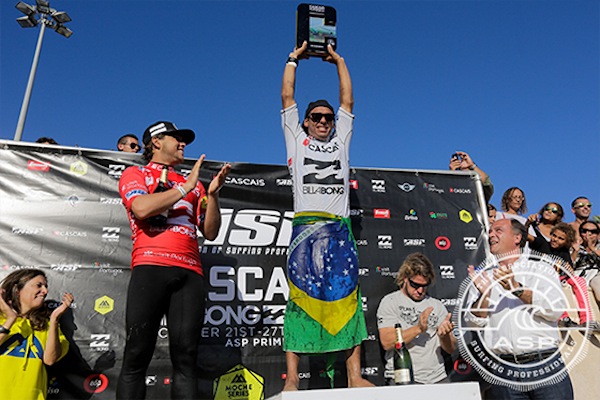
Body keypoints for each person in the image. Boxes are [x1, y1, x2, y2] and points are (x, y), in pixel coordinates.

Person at [280, 41, 372, 390]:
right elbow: (288, 97)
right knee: (300, 300)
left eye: (327, 118)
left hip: (339, 228)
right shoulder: (296, 140)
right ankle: (291, 381)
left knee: (347, 299)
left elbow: (348, 101)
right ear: (305, 122)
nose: (323, 121)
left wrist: (338, 60)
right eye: (316, 117)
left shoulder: (341, 139)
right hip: (306, 226)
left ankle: (354, 376)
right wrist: (293, 60)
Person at [116, 120, 231, 399]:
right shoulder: (136, 173)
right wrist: (183, 188)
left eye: (184, 140)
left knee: (186, 357)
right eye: (176, 138)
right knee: (137, 353)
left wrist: (212, 196)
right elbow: (141, 208)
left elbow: (211, 232)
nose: (183, 144)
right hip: (151, 268)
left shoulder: (193, 185)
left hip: (190, 272)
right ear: (156, 142)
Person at [467, 219, 574, 399]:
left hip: (545, 366)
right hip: (503, 372)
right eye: (490, 231)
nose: (491, 235)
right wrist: (485, 294)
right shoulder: (483, 277)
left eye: (498, 230)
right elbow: (474, 322)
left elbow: (555, 309)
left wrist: (517, 289)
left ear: (517, 237)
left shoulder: (541, 269)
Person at [376, 252, 456, 384]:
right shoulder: (390, 301)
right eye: (415, 285)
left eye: (424, 286)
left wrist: (444, 336)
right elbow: (387, 341)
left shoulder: (437, 305)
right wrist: (418, 329)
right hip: (403, 377)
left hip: (437, 378)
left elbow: (450, 348)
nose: (420, 290)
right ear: (405, 278)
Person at [0, 269, 74, 400]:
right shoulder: (2, 320)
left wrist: (54, 319)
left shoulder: (48, 326)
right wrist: (10, 319)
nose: (45, 291)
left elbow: (50, 360)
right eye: (39, 285)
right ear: (17, 290)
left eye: (45, 286)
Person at [573, 221, 600, 315]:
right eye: (584, 231)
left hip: (596, 274)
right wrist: (575, 252)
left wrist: (592, 249)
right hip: (579, 275)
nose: (588, 234)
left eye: (593, 232)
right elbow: (569, 266)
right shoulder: (574, 246)